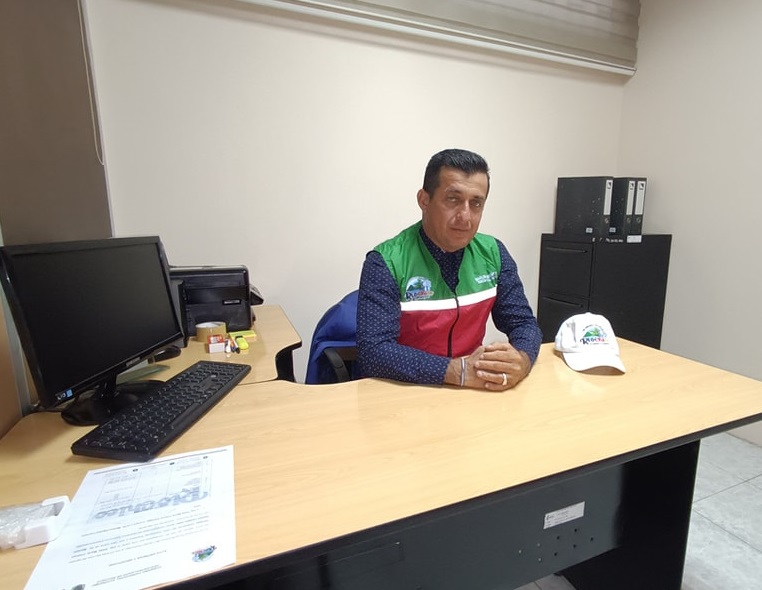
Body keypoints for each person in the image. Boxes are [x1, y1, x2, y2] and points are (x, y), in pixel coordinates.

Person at [356, 148, 542, 391]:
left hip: (470, 390)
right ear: (424, 200)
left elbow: (523, 323)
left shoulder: (494, 254)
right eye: (453, 199)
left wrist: (521, 360)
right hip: (402, 391)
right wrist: (456, 371)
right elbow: (373, 352)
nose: (465, 216)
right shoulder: (385, 262)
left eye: (476, 203)